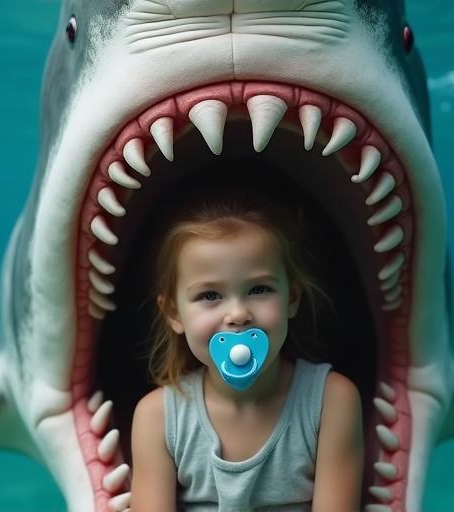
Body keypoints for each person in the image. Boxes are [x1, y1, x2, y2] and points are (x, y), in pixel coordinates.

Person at [130, 180, 364, 512]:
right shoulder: (157, 418)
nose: (238, 314)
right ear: (173, 313)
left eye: (258, 289)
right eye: (210, 296)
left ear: (291, 298)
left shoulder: (331, 403)